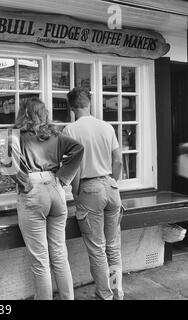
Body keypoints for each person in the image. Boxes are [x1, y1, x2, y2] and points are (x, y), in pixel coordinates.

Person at [3, 97, 84, 300]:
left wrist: (24, 183)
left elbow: (8, 165)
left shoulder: (15, 135)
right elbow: (78, 149)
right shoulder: (54, 134)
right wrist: (64, 177)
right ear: (43, 113)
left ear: (24, 113)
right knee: (59, 253)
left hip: (33, 191)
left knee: (41, 259)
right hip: (55, 189)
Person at [62, 87, 124, 300]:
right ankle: (117, 292)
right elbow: (118, 161)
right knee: (113, 247)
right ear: (89, 103)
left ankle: (105, 295)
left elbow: (75, 168)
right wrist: (112, 181)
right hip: (111, 187)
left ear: (71, 107)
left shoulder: (70, 130)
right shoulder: (106, 127)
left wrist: (77, 193)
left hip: (89, 189)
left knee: (97, 249)